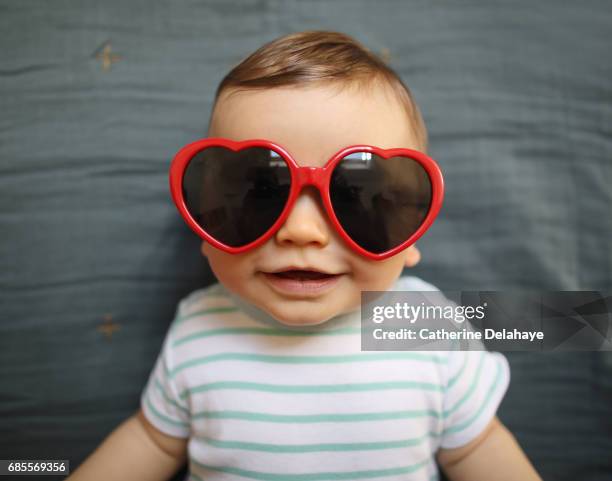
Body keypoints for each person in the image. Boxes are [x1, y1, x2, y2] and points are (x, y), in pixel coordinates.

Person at [68, 30, 541, 481]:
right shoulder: (199, 325)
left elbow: (480, 446)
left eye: (357, 195)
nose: (301, 231)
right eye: (258, 193)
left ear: (412, 236)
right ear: (208, 224)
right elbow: (152, 441)